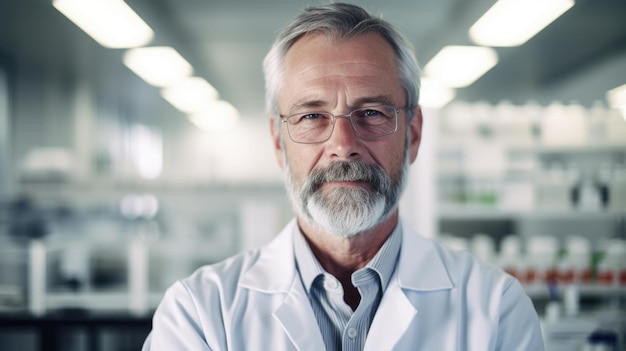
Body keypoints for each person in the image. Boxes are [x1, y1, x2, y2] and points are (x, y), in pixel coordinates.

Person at [142, 3, 544, 350]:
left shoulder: (495, 309)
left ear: (414, 133)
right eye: (312, 116)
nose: (344, 144)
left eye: (371, 113)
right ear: (279, 143)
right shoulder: (199, 314)